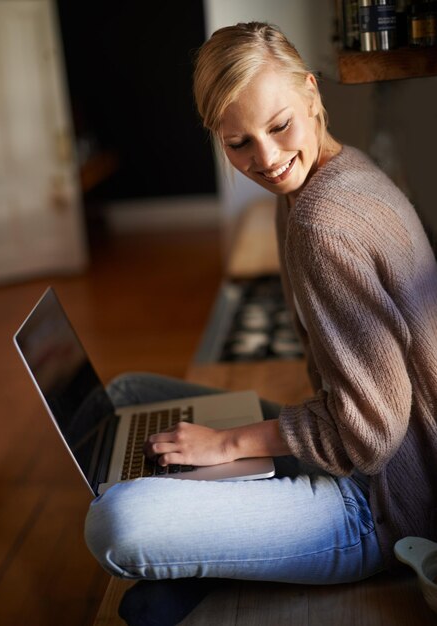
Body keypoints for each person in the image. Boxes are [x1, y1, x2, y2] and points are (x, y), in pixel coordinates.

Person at [85, 21, 437, 625]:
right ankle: (219, 544)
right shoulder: (326, 176)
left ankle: (210, 548)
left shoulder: (323, 223)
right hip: (353, 446)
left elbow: (374, 433)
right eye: (238, 142)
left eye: (279, 126)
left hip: (385, 499)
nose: (267, 159)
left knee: (115, 523)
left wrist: (228, 444)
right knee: (126, 399)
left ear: (310, 92)